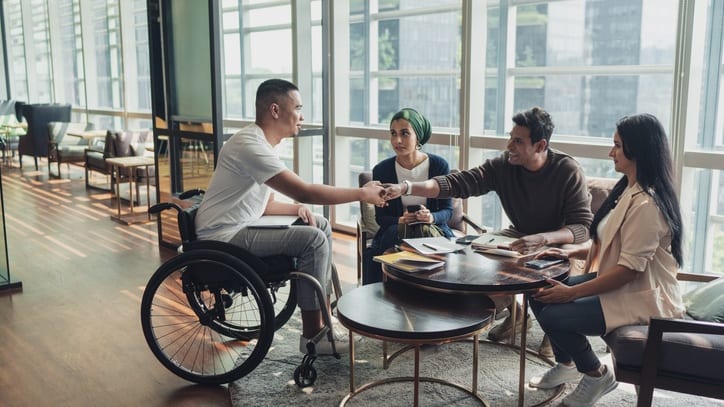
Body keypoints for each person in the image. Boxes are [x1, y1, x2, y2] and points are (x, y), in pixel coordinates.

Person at [194, 79, 386, 355]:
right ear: (275, 110)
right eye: (298, 107)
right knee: (314, 242)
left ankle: (325, 316)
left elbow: (263, 204)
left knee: (317, 223)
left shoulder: (262, 143)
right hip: (222, 235)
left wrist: (295, 209)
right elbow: (305, 191)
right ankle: (313, 336)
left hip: (237, 224)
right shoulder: (251, 145)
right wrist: (361, 194)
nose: (302, 115)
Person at [382, 106, 593, 348]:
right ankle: (516, 316)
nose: (509, 146)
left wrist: (544, 238)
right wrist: (407, 187)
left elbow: (582, 228)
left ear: (540, 146)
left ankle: (556, 333)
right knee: (475, 249)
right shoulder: (504, 165)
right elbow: (458, 183)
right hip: (519, 232)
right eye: (509, 138)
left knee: (558, 292)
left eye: (517, 141)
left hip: (562, 238)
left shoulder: (567, 170)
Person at [527, 113, 685, 406]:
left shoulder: (648, 205)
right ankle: (567, 365)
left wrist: (571, 292)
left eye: (617, 146)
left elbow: (628, 271)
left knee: (553, 314)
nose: (610, 152)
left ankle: (597, 374)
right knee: (537, 289)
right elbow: (612, 244)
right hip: (621, 280)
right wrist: (568, 252)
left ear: (636, 149)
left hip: (642, 295)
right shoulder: (627, 189)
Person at [363, 107, 454, 284]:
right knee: (387, 245)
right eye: (393, 134)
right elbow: (381, 218)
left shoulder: (439, 165)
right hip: (395, 231)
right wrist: (400, 220)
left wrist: (431, 217)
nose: (397, 140)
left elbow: (448, 211)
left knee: (432, 243)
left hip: (433, 230)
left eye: (405, 134)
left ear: (418, 136)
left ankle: (433, 296)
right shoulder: (382, 169)